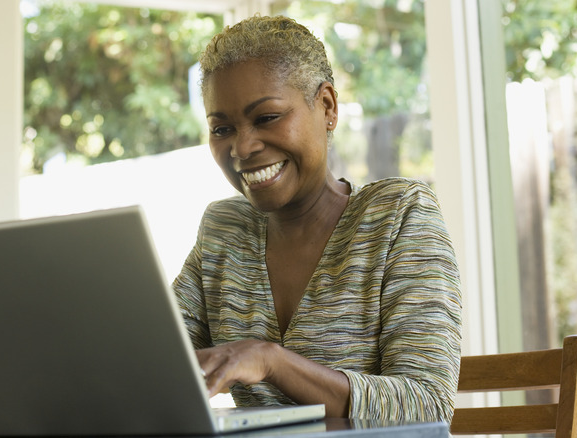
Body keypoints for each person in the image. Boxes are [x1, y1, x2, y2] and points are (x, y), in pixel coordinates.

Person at [172, 15, 462, 423]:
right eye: (222, 128)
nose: (242, 147)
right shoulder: (225, 230)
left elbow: (427, 404)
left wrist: (272, 361)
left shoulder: (398, 215)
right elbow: (156, 360)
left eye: (266, 117)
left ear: (326, 106)